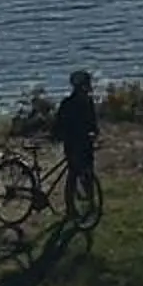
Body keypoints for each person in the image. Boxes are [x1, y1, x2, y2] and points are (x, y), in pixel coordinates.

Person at [53, 67, 102, 200]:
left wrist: (95, 133)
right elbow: (60, 125)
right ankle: (73, 204)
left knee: (83, 171)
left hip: (82, 143)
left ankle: (88, 199)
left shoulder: (79, 102)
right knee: (76, 173)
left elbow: (93, 123)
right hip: (76, 143)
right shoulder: (73, 103)